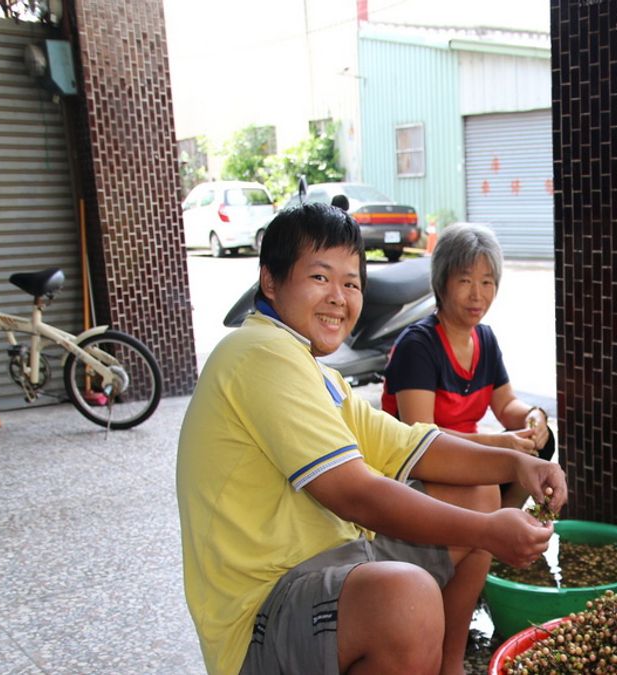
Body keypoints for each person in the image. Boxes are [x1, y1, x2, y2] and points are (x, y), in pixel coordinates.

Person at [176, 202, 567, 675]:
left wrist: (512, 463)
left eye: (352, 283)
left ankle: (447, 666)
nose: (339, 297)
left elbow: (409, 443)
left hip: (334, 558)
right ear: (271, 281)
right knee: (406, 599)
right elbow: (354, 492)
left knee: (478, 492)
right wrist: (488, 532)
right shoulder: (259, 353)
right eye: (320, 278)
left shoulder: (318, 375)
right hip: (264, 609)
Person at [382, 222, 554, 509]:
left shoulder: (485, 339)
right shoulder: (418, 346)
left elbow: (505, 405)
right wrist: (497, 445)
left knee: (540, 445)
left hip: (466, 455)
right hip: (417, 463)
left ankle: (505, 525)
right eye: (465, 281)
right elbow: (419, 433)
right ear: (441, 282)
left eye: (487, 282)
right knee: (495, 474)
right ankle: (491, 535)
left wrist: (534, 418)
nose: (477, 295)